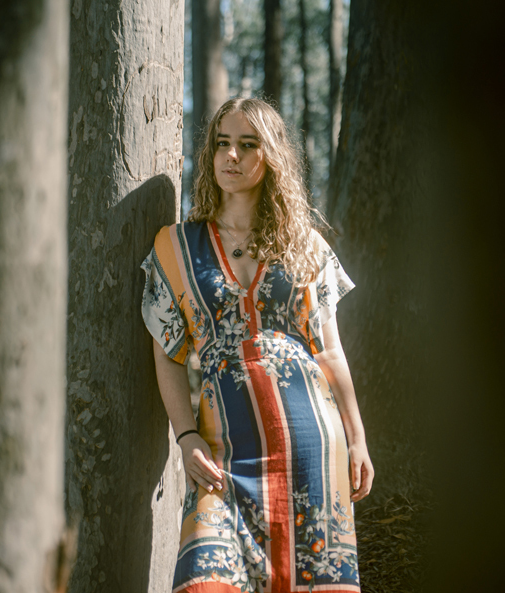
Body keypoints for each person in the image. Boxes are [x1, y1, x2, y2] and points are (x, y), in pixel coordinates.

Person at [141, 97, 373, 592]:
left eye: (247, 145)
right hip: (225, 449)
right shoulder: (175, 245)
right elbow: (167, 353)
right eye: (222, 143)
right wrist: (186, 437)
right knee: (205, 582)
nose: (231, 156)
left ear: (270, 157)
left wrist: (357, 437)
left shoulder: (306, 244)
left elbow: (329, 350)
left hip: (312, 446)